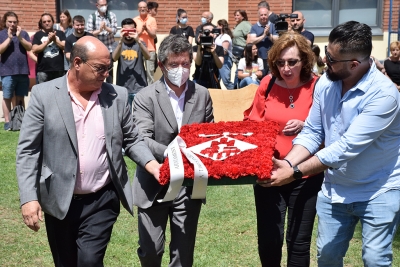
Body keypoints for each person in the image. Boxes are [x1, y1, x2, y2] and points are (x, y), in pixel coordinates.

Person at [16, 36, 161, 267]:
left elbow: (132, 138)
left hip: (102, 198)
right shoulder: (44, 95)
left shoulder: (117, 96)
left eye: (108, 68)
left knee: (89, 261)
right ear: (77, 63)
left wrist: (152, 165)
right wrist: (29, 197)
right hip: (59, 199)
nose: (106, 74)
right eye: (100, 68)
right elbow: (28, 151)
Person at [269, 21, 400, 267]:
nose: (324, 61)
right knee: (327, 258)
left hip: (379, 189)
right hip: (335, 190)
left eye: (331, 59)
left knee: (375, 259)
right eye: (326, 52)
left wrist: (294, 172)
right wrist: (287, 163)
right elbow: (313, 131)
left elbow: (345, 148)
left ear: (354, 64)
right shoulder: (326, 84)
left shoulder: (385, 95)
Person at [132, 34, 214, 267]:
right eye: (174, 64)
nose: (181, 69)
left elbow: (208, 136)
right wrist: (171, 151)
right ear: (161, 65)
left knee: (183, 253)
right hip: (153, 183)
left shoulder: (202, 95)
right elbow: (141, 138)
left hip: (189, 185)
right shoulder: (145, 97)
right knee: (150, 250)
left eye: (186, 64)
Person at [244, 32, 323, 267]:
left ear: (305, 61)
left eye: (292, 62)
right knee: (269, 240)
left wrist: (305, 124)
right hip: (269, 173)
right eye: (280, 62)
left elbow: (329, 128)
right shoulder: (267, 84)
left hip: (306, 174)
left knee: (299, 242)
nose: (286, 68)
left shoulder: (319, 86)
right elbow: (252, 122)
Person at [0, 11, 32, 131]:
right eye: (10, 22)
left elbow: (30, 47)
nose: (12, 24)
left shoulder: (23, 33)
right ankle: (8, 122)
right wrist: (9, 38)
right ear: (5, 22)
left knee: (20, 97)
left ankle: (20, 120)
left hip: (23, 71)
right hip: (7, 71)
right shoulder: (1, 34)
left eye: (14, 22)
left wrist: (19, 37)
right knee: (7, 97)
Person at [112, 18, 149, 110]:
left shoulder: (140, 43)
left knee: (140, 115)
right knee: (125, 116)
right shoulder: (117, 44)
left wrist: (138, 40)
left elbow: (148, 57)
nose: (128, 34)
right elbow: (114, 58)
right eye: (126, 31)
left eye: (131, 30)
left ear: (135, 30)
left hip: (140, 86)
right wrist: (120, 41)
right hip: (123, 86)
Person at [86, 0, 117, 83]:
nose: (104, 7)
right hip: (97, 50)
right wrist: (99, 30)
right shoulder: (92, 17)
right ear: (97, 5)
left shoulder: (111, 15)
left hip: (109, 49)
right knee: (97, 70)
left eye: (105, 5)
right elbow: (89, 33)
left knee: (109, 72)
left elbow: (114, 30)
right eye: (102, 5)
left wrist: (106, 28)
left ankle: (109, 89)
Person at [32, 13, 66, 83]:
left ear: (53, 22)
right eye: (44, 22)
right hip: (43, 71)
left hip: (58, 70)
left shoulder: (60, 33)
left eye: (49, 21)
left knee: (58, 92)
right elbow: (34, 50)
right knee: (43, 93)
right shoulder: (38, 35)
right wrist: (48, 42)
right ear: (41, 23)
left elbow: (65, 47)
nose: (47, 23)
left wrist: (55, 40)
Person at [248, 7, 278, 75]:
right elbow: (252, 41)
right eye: (261, 15)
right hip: (257, 58)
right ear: (258, 16)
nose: (263, 17)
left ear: (268, 15)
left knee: (270, 77)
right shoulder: (254, 27)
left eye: (265, 14)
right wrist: (264, 35)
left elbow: (277, 41)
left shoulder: (273, 26)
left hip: (271, 58)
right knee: (256, 75)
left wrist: (268, 34)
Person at [193, 22, 224, 89]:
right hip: (200, 79)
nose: (208, 34)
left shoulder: (219, 48)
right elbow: (198, 63)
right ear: (200, 34)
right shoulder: (195, 48)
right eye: (205, 32)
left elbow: (220, 65)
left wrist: (214, 53)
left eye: (210, 32)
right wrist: (199, 47)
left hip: (213, 79)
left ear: (214, 34)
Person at [134, 1, 157, 85]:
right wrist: (142, 31)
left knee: (150, 73)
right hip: (138, 49)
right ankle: (139, 89)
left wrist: (147, 29)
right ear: (138, 9)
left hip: (150, 50)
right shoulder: (135, 20)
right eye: (140, 7)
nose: (142, 9)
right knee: (138, 71)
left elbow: (153, 36)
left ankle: (150, 91)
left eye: (144, 7)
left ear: (147, 9)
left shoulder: (152, 20)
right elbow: (134, 35)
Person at [232, 10, 252, 88]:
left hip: (243, 52)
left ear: (243, 16)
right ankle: (237, 87)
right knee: (238, 70)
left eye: (238, 15)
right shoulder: (238, 25)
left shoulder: (245, 24)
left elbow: (249, 37)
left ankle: (239, 88)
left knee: (242, 71)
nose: (236, 17)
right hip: (237, 53)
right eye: (235, 15)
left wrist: (247, 50)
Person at [215, 19, 234, 89]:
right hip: (218, 59)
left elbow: (224, 51)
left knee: (226, 81)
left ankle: (234, 94)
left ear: (221, 26)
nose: (216, 27)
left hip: (225, 60)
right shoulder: (219, 36)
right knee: (216, 80)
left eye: (218, 26)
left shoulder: (225, 37)